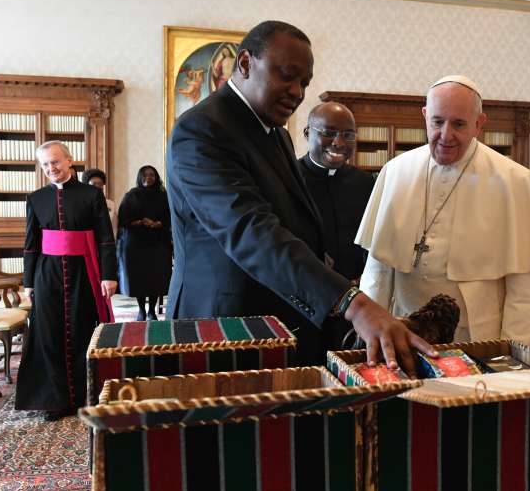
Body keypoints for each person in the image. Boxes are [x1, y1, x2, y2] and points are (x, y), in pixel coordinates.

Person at [167, 20, 433, 370]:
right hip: (223, 325)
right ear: (245, 63)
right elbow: (251, 231)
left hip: (281, 320)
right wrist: (351, 302)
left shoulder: (274, 132)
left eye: (304, 82)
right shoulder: (202, 130)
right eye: (287, 75)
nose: (297, 92)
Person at [356, 75, 530, 349]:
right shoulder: (395, 172)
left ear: (478, 124)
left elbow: (527, 292)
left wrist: (514, 360)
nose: (445, 135)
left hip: (477, 338)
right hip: (403, 330)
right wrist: (369, 335)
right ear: (425, 116)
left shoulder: (515, 182)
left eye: (459, 124)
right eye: (437, 122)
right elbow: (378, 269)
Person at [17, 141, 117, 420]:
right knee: (48, 335)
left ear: (70, 160)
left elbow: (105, 239)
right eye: (46, 164)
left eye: (56, 162)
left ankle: (85, 396)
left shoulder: (91, 195)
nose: (51, 168)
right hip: (47, 274)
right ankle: (56, 400)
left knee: (83, 331)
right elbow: (30, 245)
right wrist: (28, 282)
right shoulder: (36, 198)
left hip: (83, 271)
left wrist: (109, 275)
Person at [297, 102, 375, 282]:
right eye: (328, 133)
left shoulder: (364, 182)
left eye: (348, 135)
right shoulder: (289, 179)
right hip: (307, 288)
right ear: (308, 133)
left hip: (357, 290)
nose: (339, 143)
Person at [116, 165, 172, 321]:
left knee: (155, 278)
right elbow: (123, 218)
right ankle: (141, 310)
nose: (149, 177)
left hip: (158, 243)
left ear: (156, 177)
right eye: (145, 174)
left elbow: (170, 218)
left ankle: (152, 311)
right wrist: (140, 222)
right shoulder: (131, 195)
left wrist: (155, 224)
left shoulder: (163, 196)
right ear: (140, 177)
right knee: (139, 278)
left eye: (152, 174)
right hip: (136, 244)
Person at [82, 168, 118, 236]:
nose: (97, 187)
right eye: (94, 184)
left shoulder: (111, 204)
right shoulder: (81, 204)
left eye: (100, 184)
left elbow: (114, 227)